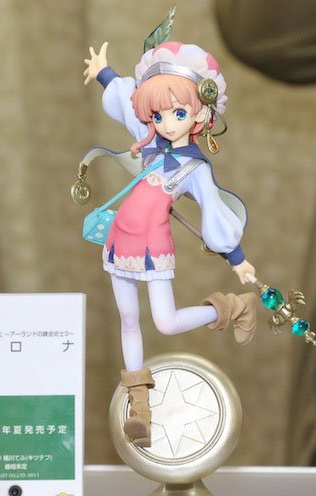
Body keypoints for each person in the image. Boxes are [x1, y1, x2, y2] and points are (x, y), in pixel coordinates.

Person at [82, 41, 256, 447]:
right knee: (128, 320)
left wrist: (237, 258)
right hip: (120, 239)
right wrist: (105, 72)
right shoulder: (149, 142)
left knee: (166, 322)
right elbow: (127, 103)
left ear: (200, 114)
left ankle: (233, 307)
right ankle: (139, 407)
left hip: (152, 246)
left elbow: (213, 211)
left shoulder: (195, 168)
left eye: (178, 113)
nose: (167, 123)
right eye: (158, 115)